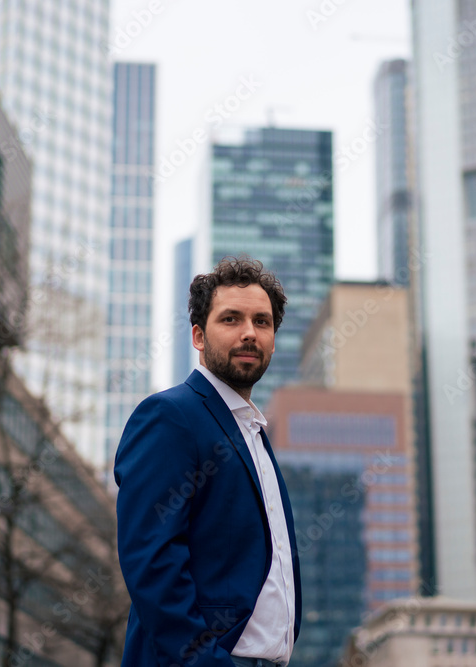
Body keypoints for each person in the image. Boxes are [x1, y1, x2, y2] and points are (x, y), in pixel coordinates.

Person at [114, 256, 301, 667]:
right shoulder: (170, 416)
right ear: (198, 336)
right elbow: (151, 559)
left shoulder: (254, 434)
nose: (249, 333)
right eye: (231, 319)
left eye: (262, 322)